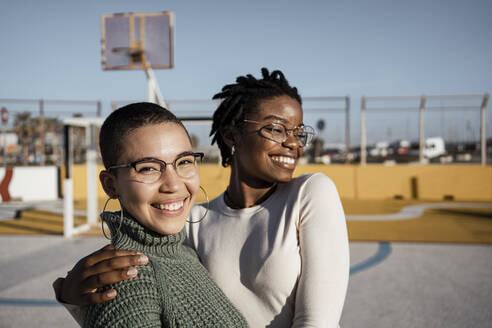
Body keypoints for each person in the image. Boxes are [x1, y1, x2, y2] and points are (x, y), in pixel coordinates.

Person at [54, 68, 350, 327]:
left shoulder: (309, 193)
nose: (293, 143)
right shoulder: (193, 220)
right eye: (275, 128)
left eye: (298, 132)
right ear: (231, 136)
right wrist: (74, 294)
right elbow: (150, 288)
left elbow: (317, 322)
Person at [72, 102, 247, 327]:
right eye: (148, 168)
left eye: (184, 162)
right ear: (110, 185)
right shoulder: (128, 277)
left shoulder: (183, 252)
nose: (173, 184)